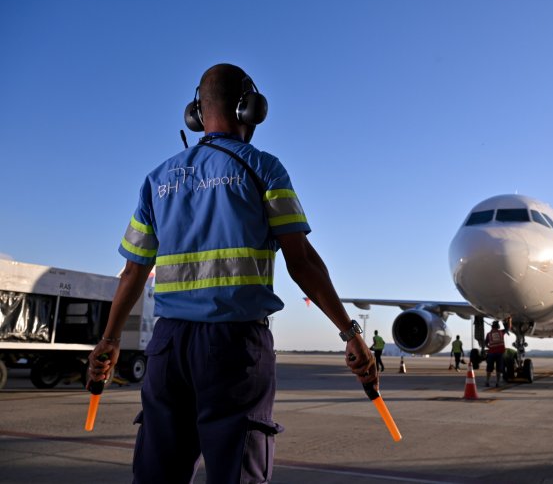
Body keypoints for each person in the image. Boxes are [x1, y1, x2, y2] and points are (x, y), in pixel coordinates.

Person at [87, 63, 376, 483]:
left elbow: (133, 270)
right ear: (250, 109)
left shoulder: (157, 180)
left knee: (157, 473)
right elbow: (303, 261)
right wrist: (350, 333)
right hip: (234, 348)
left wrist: (109, 341)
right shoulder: (264, 169)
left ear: (196, 113)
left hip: (167, 347)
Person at [484, 321, 508, 387]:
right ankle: (497, 383)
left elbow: (485, 343)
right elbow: (507, 328)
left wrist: (490, 347)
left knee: (489, 368)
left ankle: (487, 382)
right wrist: (507, 320)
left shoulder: (489, 334)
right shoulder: (501, 332)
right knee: (498, 369)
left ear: (492, 327)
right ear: (498, 327)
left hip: (491, 353)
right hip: (500, 353)